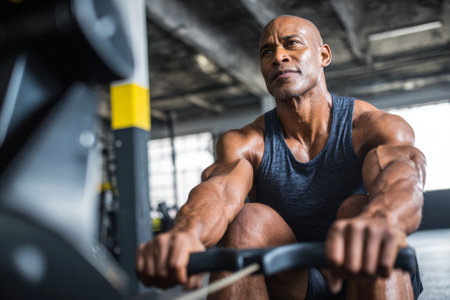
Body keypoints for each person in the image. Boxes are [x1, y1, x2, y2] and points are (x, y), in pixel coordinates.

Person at [136, 15, 426, 299]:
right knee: (246, 221)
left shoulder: (372, 126)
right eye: (267, 51)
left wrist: (383, 218)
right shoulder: (247, 141)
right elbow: (221, 190)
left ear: (323, 55)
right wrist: (188, 233)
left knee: (359, 208)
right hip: (295, 282)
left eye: (292, 44)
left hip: (366, 271)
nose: (279, 57)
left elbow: (401, 176)